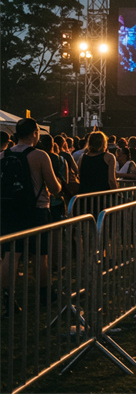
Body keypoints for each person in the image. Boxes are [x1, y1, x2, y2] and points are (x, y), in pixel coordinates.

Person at [1, 118, 61, 309]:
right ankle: (44, 295)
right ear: (35, 133)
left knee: (10, 255)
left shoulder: (2, 156)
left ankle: (8, 298)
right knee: (39, 255)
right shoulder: (40, 156)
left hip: (9, 210)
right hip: (36, 210)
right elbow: (54, 187)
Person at [77, 131, 117, 195]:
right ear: (103, 143)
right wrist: (116, 192)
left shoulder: (82, 157)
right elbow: (111, 180)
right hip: (102, 195)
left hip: (84, 195)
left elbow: (78, 174)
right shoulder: (109, 157)